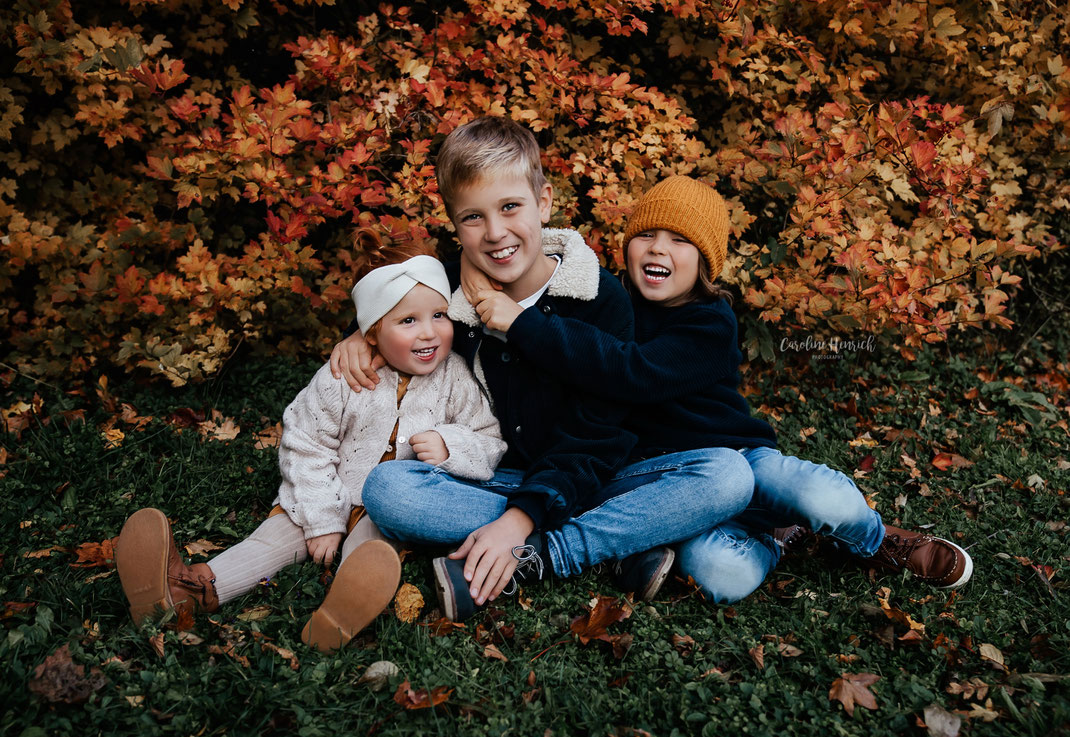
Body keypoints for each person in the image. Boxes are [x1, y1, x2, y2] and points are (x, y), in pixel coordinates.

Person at [465, 175, 973, 604]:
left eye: (680, 241)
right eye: (647, 236)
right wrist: (469, 267)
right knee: (720, 574)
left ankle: (876, 541)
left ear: (706, 260)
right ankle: (776, 538)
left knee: (823, 497)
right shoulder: (608, 303)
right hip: (661, 479)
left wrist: (523, 325)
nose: (659, 248)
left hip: (737, 455)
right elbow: (507, 263)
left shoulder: (709, 323)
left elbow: (633, 372)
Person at [330, 117, 754, 620]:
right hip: (498, 477)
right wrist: (363, 333)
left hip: (593, 476)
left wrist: (521, 520)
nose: (495, 233)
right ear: (454, 223)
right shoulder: (445, 293)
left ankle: (549, 554)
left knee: (727, 473)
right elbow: (396, 302)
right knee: (388, 490)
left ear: (545, 202)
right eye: (473, 218)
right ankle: (621, 541)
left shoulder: (600, 298)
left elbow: (600, 433)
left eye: (511, 207)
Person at [114, 233, 507, 651]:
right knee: (274, 538)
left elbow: (490, 441)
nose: (429, 333)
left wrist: (450, 445)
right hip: (325, 490)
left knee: (370, 552)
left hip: (390, 506)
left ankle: (340, 611)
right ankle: (188, 590)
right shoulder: (343, 376)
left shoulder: (456, 378)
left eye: (440, 315)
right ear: (370, 332)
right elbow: (305, 444)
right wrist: (322, 521)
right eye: (408, 321)